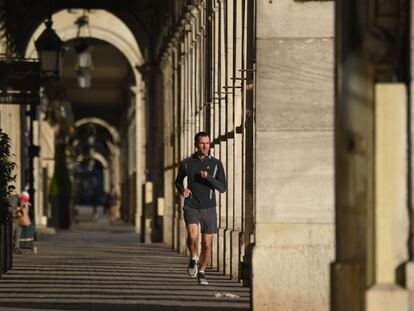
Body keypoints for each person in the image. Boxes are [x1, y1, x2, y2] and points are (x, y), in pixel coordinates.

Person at [175, 131, 226, 285]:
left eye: (207, 143)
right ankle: (193, 258)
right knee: (192, 237)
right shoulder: (187, 163)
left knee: (207, 243)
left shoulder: (217, 164)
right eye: (202, 143)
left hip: (209, 207)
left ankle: (202, 272)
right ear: (196, 144)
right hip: (191, 205)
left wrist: (208, 177)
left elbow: (222, 188)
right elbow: (178, 181)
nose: (205, 146)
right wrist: (182, 191)